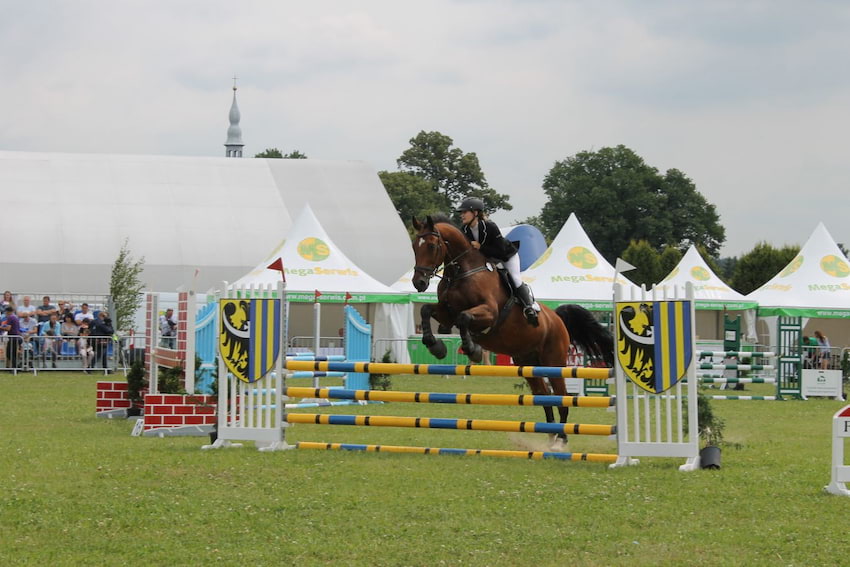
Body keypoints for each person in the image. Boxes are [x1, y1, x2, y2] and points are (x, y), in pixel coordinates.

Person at [456, 197, 540, 325]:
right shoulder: (465, 230)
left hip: (506, 256)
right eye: (461, 213)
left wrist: (480, 247)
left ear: (475, 213)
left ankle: (529, 307)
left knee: (515, 279)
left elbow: (500, 251)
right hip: (489, 259)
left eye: (465, 212)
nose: (462, 215)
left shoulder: (490, 227)